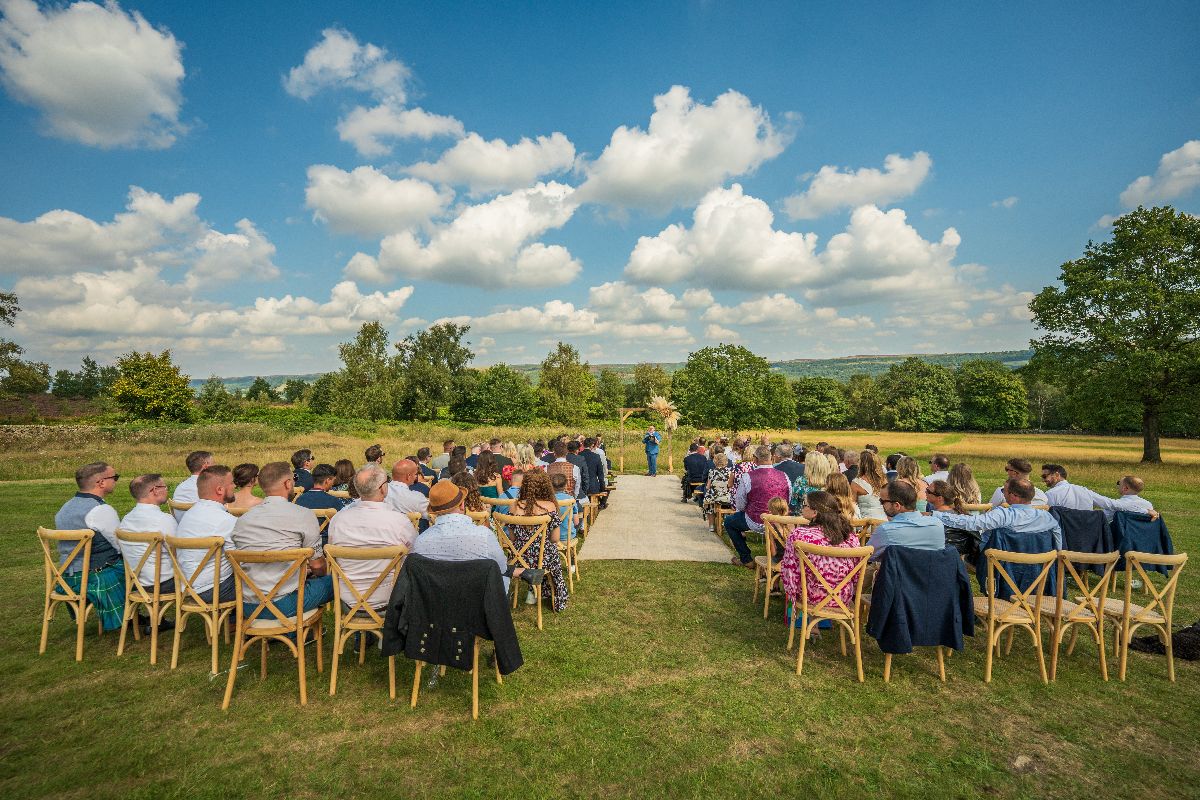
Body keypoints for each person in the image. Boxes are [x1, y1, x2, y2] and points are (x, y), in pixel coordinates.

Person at [231, 461, 333, 616]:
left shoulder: (243, 520)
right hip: (286, 603)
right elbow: (318, 566)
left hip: (248, 605)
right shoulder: (303, 515)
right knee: (336, 581)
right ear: (287, 483)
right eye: (293, 480)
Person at [411, 480, 543, 595]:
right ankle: (522, 572)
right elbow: (502, 568)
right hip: (479, 602)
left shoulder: (421, 542)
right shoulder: (483, 535)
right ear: (462, 505)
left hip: (437, 603)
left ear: (434, 511)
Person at [326, 465, 417, 609]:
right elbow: (415, 554)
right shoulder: (399, 522)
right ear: (383, 489)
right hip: (391, 598)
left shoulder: (338, 520)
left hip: (349, 598)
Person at [55, 462, 125, 631]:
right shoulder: (101, 510)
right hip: (97, 576)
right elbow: (120, 545)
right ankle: (142, 616)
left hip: (67, 578)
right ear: (101, 482)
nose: (116, 481)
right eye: (115, 477)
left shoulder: (64, 508)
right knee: (144, 565)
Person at [778, 491, 863, 613]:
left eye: (805, 504)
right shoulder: (850, 537)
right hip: (842, 597)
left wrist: (792, 591)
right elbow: (857, 573)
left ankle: (805, 621)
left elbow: (789, 569)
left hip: (810, 597)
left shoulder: (799, 535)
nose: (802, 507)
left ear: (815, 512)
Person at [500, 470, 568, 610]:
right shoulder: (550, 506)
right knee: (551, 551)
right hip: (542, 559)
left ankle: (533, 592)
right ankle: (549, 593)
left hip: (518, 559)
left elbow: (512, 538)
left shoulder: (514, 506)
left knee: (540, 550)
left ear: (525, 485)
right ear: (545, 486)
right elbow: (555, 538)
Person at [932, 478, 1062, 549]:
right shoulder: (1048, 518)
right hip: (1039, 572)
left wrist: (937, 515)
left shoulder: (1004, 515)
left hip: (1002, 569)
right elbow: (1058, 545)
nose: (1002, 493)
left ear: (1013, 496)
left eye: (1004, 490)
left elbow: (972, 523)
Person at [175, 465, 239, 602]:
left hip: (187, 587)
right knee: (261, 579)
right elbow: (238, 559)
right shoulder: (225, 520)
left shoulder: (189, 514)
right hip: (214, 590)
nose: (235, 486)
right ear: (220, 490)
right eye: (232, 483)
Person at [725, 445, 791, 569]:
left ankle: (746, 558)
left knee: (729, 522)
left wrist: (746, 509)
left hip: (755, 520)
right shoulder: (784, 476)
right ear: (771, 458)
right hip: (778, 521)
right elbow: (788, 498)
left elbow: (740, 502)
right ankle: (781, 557)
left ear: (755, 459)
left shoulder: (748, 476)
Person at [118, 473, 178, 593]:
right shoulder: (164, 519)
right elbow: (180, 551)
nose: (167, 490)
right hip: (164, 583)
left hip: (136, 582)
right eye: (165, 487)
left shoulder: (126, 519)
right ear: (155, 490)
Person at [869, 480, 946, 561]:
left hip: (900, 569)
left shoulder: (886, 530)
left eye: (882, 501)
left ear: (897, 505)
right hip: (934, 568)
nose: (881, 505)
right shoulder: (937, 524)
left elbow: (867, 556)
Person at [1086, 475, 1155, 521]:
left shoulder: (1120, 505)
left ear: (1125, 488)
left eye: (1119, 483)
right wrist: (1146, 511)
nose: (1118, 486)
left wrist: (1086, 492)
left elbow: (1104, 513)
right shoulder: (1148, 505)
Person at [172, 450, 213, 520]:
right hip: (204, 525)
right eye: (213, 463)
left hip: (182, 525)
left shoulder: (181, 486)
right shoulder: (208, 488)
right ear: (206, 466)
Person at [850, 450, 888, 521]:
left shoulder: (856, 483)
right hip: (884, 520)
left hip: (867, 523)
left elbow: (853, 506)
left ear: (861, 464)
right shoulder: (883, 480)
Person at [790, 448, 832, 513]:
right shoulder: (830, 482)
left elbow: (793, 503)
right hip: (823, 517)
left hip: (802, 517)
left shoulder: (801, 481)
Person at [703, 451, 734, 532]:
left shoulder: (712, 471)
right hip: (727, 497)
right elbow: (731, 485)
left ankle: (711, 525)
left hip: (715, 496)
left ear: (715, 461)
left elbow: (708, 486)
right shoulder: (730, 472)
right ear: (726, 461)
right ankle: (726, 520)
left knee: (708, 501)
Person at [581, 437, 607, 507]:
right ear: (592, 445)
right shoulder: (596, 456)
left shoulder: (578, 455)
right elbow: (600, 475)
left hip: (581, 487)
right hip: (593, 487)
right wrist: (602, 488)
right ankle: (601, 504)